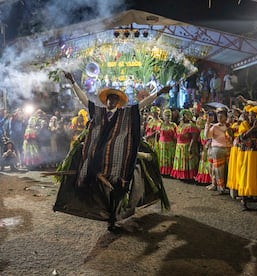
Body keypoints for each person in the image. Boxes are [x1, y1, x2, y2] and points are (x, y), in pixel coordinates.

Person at [54, 72, 170, 231]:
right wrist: (73, 82)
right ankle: (89, 206)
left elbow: (142, 104)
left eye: (114, 99)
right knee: (86, 173)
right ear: (106, 100)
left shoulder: (125, 114)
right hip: (96, 157)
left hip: (118, 160)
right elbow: (83, 99)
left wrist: (158, 93)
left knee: (118, 186)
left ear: (118, 103)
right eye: (109, 98)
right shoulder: (98, 112)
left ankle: (113, 217)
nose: (111, 101)